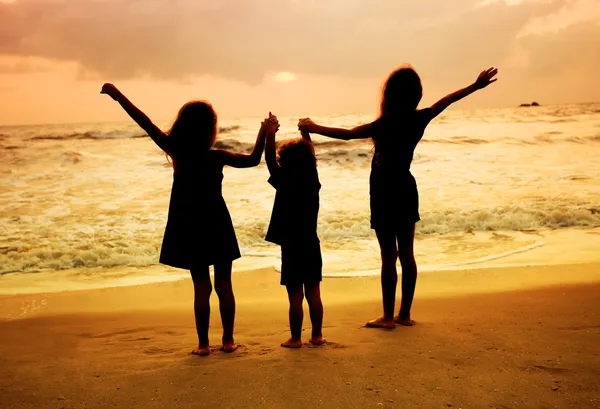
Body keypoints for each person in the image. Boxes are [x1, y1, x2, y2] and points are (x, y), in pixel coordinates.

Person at [298, 66, 498, 329]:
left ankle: (388, 317)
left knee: (388, 255)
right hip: (405, 186)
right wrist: (475, 85)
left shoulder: (381, 126)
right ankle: (404, 315)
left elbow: (346, 135)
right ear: (415, 95)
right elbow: (447, 100)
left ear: (389, 95)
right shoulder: (419, 119)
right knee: (407, 253)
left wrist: (313, 127)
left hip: (383, 190)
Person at [100, 83, 279, 354]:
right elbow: (254, 160)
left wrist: (117, 96)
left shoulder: (175, 149)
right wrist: (265, 133)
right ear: (210, 129)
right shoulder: (217, 156)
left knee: (201, 286)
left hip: (190, 223)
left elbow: (144, 121)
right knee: (224, 284)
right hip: (217, 221)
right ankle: (228, 341)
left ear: (183, 125)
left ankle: (204, 345)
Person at [264, 114, 325, 348]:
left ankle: (296, 338)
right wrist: (305, 133)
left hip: (291, 245)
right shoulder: (312, 180)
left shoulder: (284, 180)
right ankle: (317, 335)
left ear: (284, 163)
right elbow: (309, 152)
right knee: (314, 293)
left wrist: (270, 134)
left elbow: (269, 159)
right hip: (311, 242)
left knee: (295, 296)